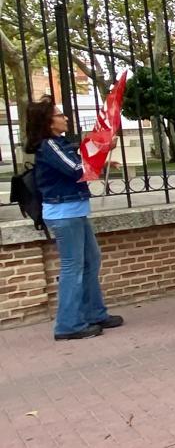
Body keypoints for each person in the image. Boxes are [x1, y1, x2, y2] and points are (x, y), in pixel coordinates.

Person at [24, 97, 124, 341]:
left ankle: (94, 312)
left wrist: (103, 156)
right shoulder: (50, 146)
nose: (65, 117)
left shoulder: (59, 143)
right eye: (59, 114)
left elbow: (79, 163)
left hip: (74, 210)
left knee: (91, 259)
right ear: (48, 122)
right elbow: (77, 170)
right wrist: (101, 149)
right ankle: (68, 324)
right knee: (73, 266)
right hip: (64, 212)